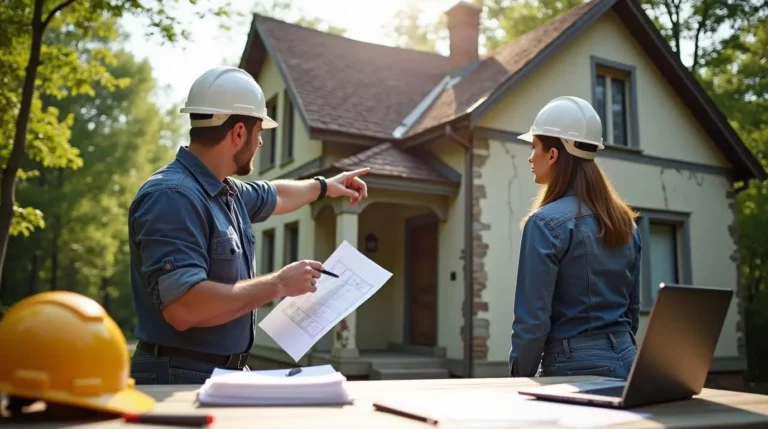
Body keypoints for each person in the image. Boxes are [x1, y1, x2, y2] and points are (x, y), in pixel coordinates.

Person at [127, 66, 370, 385]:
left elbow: (278, 194)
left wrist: (325, 186)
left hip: (217, 373)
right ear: (238, 133)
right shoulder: (173, 196)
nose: (261, 144)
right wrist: (279, 283)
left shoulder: (226, 191)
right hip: (179, 375)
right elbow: (184, 307)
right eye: (259, 134)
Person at [508, 96, 642, 379]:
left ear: (553, 154)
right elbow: (632, 310)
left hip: (575, 366)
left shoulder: (543, 223)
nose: (530, 157)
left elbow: (532, 324)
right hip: (629, 361)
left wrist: (520, 379)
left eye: (534, 147)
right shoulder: (627, 224)